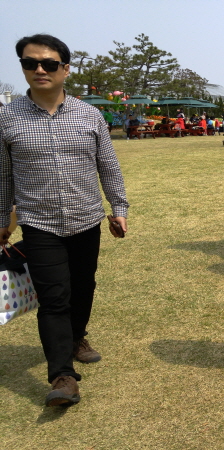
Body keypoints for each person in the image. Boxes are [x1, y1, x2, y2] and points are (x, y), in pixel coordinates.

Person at [0, 34, 129, 406]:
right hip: (39, 223)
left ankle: (76, 338)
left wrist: (119, 209)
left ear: (65, 69)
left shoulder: (89, 115)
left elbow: (108, 167)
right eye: (30, 63)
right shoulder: (7, 119)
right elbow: (3, 176)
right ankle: (62, 376)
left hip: (86, 218)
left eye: (49, 63)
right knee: (54, 298)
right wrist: (2, 220)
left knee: (83, 286)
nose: (40, 69)